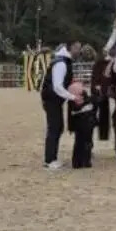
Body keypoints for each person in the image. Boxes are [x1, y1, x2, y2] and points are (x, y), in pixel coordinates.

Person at [40, 42, 83, 170]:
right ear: (70, 48)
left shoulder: (64, 62)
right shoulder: (61, 63)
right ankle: (49, 160)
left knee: (57, 127)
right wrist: (73, 97)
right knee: (54, 128)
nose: (79, 51)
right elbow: (57, 86)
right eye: (77, 48)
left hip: (54, 99)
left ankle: (52, 158)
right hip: (52, 100)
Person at [67, 82, 100, 169]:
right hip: (86, 125)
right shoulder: (87, 101)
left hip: (81, 125)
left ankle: (78, 162)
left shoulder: (72, 103)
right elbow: (96, 103)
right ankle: (85, 161)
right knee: (86, 143)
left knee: (79, 143)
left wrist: (71, 127)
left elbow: (70, 117)